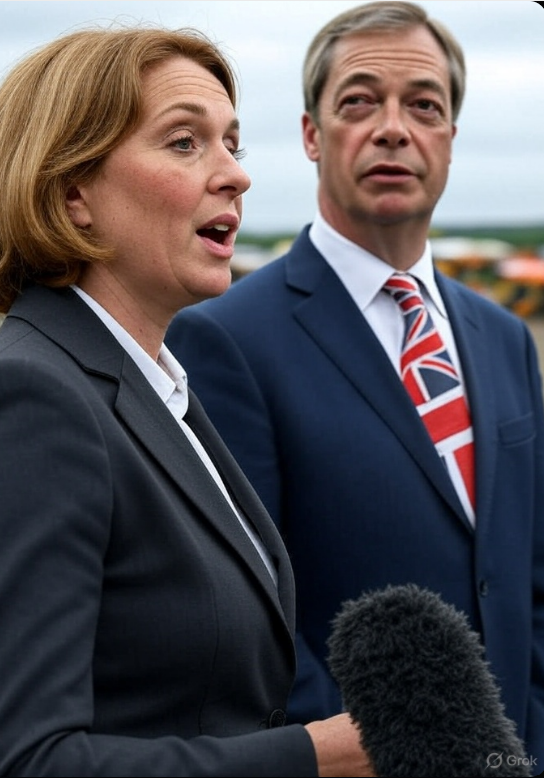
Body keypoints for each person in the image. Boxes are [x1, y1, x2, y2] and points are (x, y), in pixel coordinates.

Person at [0, 25, 375, 777]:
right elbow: (20, 760)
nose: (236, 177)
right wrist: (313, 757)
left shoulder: (162, 387)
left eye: (233, 144)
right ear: (72, 193)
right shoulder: (31, 398)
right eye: (185, 142)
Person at [166, 0, 544, 768]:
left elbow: (526, 574)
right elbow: (248, 617)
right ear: (311, 134)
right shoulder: (224, 338)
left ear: (450, 138)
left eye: (424, 106)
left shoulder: (506, 339)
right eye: (360, 101)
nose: (394, 128)